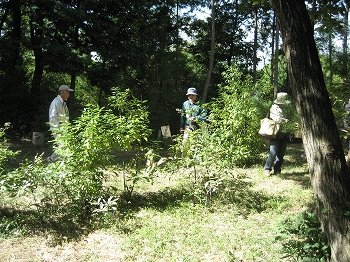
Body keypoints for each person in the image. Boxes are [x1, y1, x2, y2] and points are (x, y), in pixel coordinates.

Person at [264, 92, 291, 176]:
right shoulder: (273, 108)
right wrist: (286, 121)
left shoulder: (287, 109)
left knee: (281, 153)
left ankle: (277, 169)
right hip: (275, 133)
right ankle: (267, 169)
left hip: (284, 133)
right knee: (273, 152)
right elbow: (277, 119)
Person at [46, 84, 74, 162]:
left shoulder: (63, 103)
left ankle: (64, 160)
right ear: (63, 92)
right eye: (68, 92)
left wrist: (67, 126)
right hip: (57, 127)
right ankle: (51, 159)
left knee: (66, 144)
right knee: (62, 145)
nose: (69, 94)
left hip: (64, 127)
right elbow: (53, 117)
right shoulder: (56, 102)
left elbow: (65, 116)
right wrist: (56, 129)